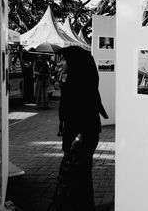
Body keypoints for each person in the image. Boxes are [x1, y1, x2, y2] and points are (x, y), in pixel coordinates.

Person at [54, 46, 108, 210]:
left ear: (74, 62)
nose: (60, 63)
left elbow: (87, 116)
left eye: (63, 60)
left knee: (78, 174)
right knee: (77, 175)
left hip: (82, 135)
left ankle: (78, 205)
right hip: (76, 134)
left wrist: (78, 138)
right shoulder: (73, 79)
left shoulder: (83, 84)